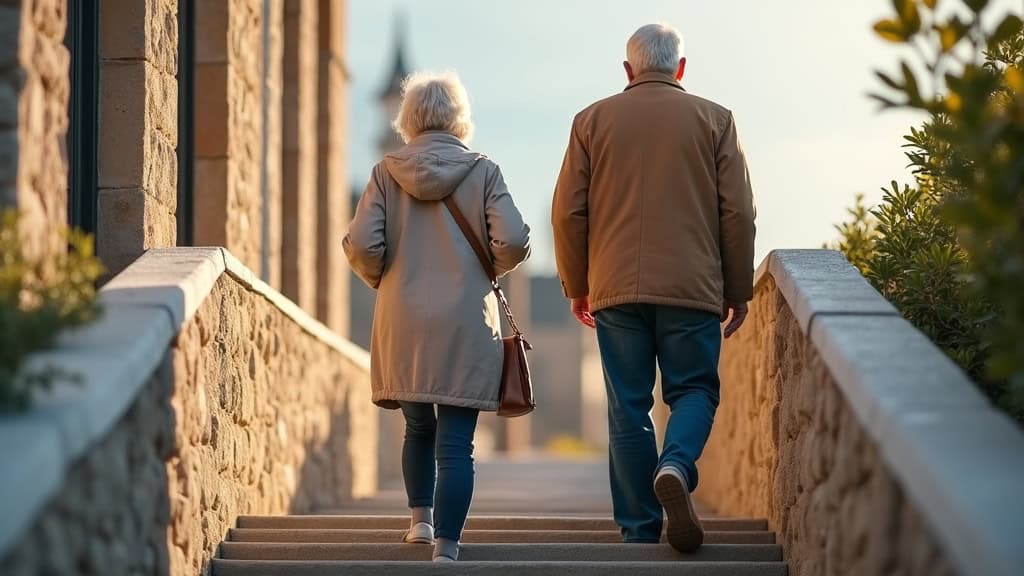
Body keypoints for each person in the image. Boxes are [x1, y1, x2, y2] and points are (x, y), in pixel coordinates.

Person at [551, 23, 756, 552]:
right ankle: (676, 464)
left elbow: (568, 213)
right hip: (692, 286)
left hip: (615, 288)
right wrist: (738, 288)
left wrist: (578, 284)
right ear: (681, 67)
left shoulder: (590, 122)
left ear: (628, 70)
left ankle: (639, 532)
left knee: (628, 406)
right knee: (694, 391)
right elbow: (738, 213)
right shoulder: (716, 120)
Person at [344, 71, 531, 562]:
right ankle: (446, 547)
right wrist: (486, 268)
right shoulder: (484, 172)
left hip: (403, 320)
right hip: (467, 321)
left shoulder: (385, 173)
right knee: (456, 443)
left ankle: (420, 523)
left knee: (418, 428)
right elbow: (513, 240)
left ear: (407, 119)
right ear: (459, 118)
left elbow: (361, 244)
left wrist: (384, 280)